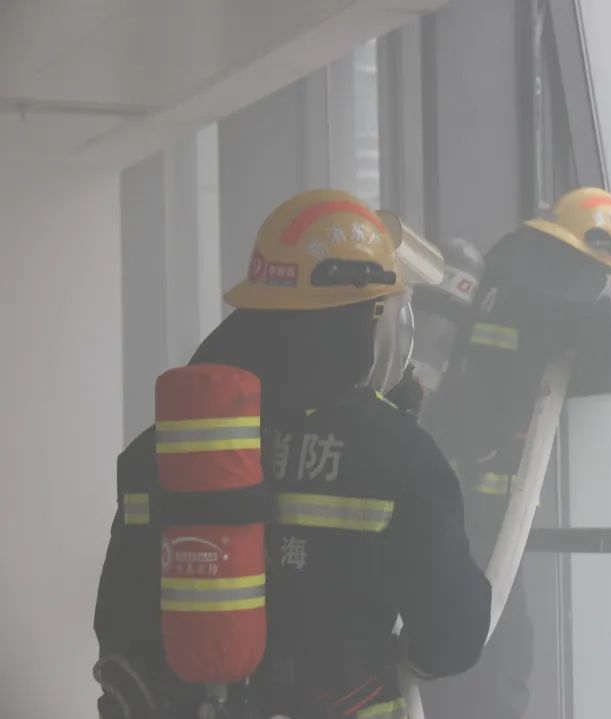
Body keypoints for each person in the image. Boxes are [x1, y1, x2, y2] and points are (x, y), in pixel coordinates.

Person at [93, 189, 491, 719]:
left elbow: (119, 615)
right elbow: (455, 634)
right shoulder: (400, 456)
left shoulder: (170, 444)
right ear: (368, 317)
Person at [419, 187, 611, 719]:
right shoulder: (554, 297)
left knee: (465, 629)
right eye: (602, 272)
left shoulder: (504, 270)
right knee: (500, 646)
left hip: (450, 483)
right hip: (486, 503)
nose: (599, 284)